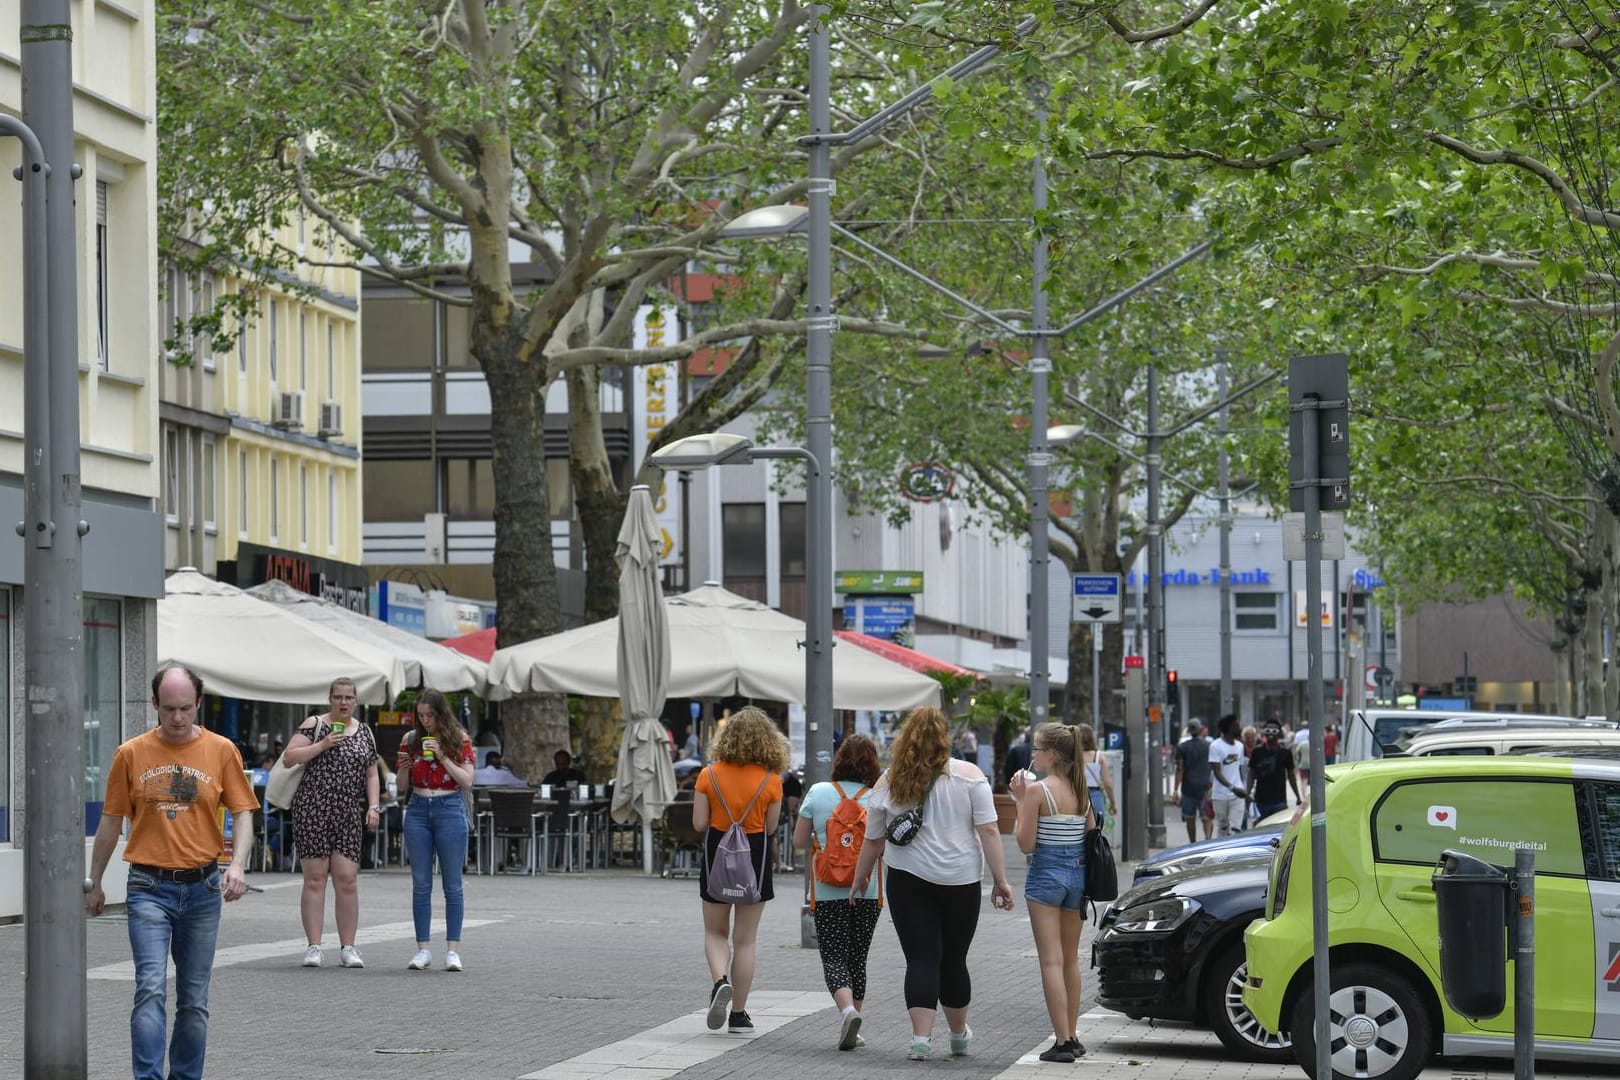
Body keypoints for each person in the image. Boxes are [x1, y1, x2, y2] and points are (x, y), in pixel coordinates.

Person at [86, 665, 257, 1080]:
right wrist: (94, 883)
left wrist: (237, 865)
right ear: (154, 706)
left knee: (194, 999)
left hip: (202, 887)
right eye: (168, 709)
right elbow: (110, 823)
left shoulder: (221, 750)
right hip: (148, 886)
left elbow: (244, 812)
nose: (177, 719)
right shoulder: (130, 754)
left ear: (199, 704)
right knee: (149, 989)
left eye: (185, 709)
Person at [851, 706, 1013, 1061]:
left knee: (921, 958)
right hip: (961, 879)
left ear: (906, 738)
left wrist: (860, 877)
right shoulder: (970, 776)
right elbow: (988, 830)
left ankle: (920, 1040)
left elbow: (874, 839)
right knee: (954, 959)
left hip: (907, 880)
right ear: (945, 738)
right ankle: (958, 1037)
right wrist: (1001, 881)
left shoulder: (889, 780)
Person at [693, 706, 788, 1034]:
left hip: (716, 855)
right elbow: (771, 826)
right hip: (755, 857)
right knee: (746, 939)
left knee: (714, 932)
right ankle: (739, 1015)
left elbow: (699, 823)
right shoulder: (772, 779)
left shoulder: (709, 774)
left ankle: (720, 980)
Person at [280, 678, 381, 969]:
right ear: (330, 699)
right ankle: (314, 946)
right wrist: (322, 744)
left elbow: (371, 772)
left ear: (356, 700)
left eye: (349, 697)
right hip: (313, 808)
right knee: (315, 878)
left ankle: (348, 946)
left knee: (347, 878)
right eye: (338, 697)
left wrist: (373, 805)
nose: (344, 703)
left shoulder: (364, 732)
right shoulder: (315, 724)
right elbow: (289, 758)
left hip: (348, 811)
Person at [1011, 723, 1096, 1063]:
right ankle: (1073, 1034)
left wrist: (1019, 801)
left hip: (1046, 873)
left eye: (1037, 750)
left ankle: (1061, 1041)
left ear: (1051, 755)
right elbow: (1090, 835)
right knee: (1070, 958)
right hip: (1077, 874)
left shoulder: (1037, 791)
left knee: (1050, 959)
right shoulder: (1081, 789)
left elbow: (1025, 843)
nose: (1033, 756)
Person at [794, 734, 883, 1051]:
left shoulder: (818, 793)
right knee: (858, 958)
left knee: (833, 956)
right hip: (869, 891)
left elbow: (799, 841)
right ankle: (854, 1022)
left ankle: (847, 1013)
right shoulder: (877, 797)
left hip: (828, 892)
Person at [397, 688, 475, 972]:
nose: (425, 721)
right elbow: (403, 786)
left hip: (449, 806)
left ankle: (453, 950)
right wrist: (404, 768)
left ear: (441, 714)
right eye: (421, 716)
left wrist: (442, 756)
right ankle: (423, 949)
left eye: (430, 715)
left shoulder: (459, 738)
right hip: (418, 807)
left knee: (452, 884)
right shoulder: (410, 739)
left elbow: (466, 781)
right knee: (421, 883)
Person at [1246, 722, 1301, 818]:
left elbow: (1291, 775)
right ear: (1264, 733)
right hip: (1261, 801)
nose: (1271, 733)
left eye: (1274, 730)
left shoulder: (1285, 753)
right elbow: (1251, 774)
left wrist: (1297, 796)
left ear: (1279, 734)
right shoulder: (1257, 752)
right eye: (1268, 730)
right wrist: (1247, 794)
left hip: (1279, 801)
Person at [1172, 719, 1213, 844]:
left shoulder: (1182, 747)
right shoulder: (1209, 746)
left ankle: (1193, 843)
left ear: (1189, 731)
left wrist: (1175, 789)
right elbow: (1214, 767)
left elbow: (1180, 769)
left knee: (1190, 818)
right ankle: (1207, 841)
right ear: (1201, 729)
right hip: (1206, 788)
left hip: (1188, 788)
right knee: (1206, 817)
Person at [1209, 715, 1249, 837]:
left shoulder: (1240, 746)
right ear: (1229, 728)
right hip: (1220, 795)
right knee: (1222, 828)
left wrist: (1243, 788)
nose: (1240, 728)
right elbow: (1217, 771)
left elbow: (1240, 769)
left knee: (1236, 829)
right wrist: (1233, 788)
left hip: (1237, 796)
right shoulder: (1215, 746)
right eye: (1237, 726)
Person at [1077, 724, 1116, 828]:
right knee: (1095, 832)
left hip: (1076, 795)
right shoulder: (1099, 756)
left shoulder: (1073, 756)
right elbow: (1107, 784)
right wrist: (1113, 803)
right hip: (1095, 796)